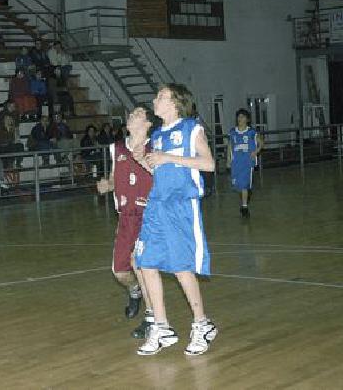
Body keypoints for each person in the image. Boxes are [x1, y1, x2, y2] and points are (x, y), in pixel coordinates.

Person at [131, 83, 218, 356]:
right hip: (157, 203)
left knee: (181, 266)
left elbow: (209, 164)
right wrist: (142, 159)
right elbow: (159, 170)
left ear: (176, 103)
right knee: (145, 262)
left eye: (161, 96)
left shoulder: (192, 129)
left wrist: (167, 157)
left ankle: (201, 324)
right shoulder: (157, 135)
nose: (155, 100)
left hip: (181, 204)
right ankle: (162, 327)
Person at [96, 106, 156, 338]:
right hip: (125, 218)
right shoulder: (117, 148)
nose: (130, 115)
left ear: (148, 123)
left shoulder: (156, 149)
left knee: (142, 265)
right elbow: (113, 179)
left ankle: (151, 319)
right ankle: (135, 291)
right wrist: (107, 185)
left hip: (148, 219)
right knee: (120, 272)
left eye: (137, 113)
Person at [229, 108, 265, 218]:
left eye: (243, 117)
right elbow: (230, 146)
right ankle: (245, 198)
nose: (240, 119)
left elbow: (262, 143)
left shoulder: (251, 132)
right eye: (239, 116)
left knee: (244, 185)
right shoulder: (233, 132)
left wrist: (256, 151)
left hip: (247, 163)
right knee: (239, 186)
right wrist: (228, 160)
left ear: (247, 119)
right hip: (236, 162)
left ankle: (244, 207)